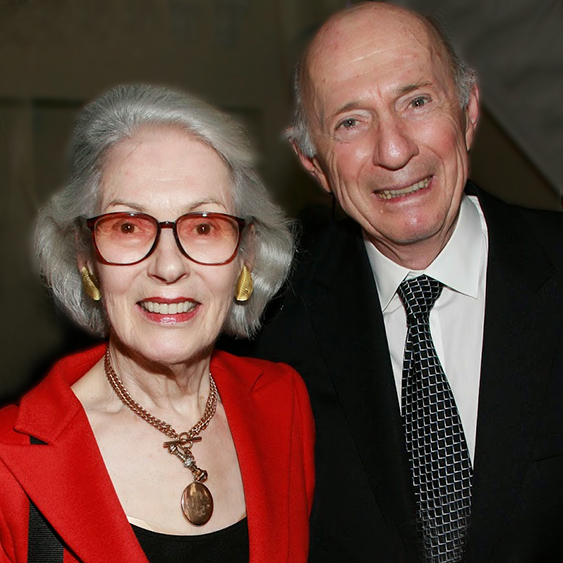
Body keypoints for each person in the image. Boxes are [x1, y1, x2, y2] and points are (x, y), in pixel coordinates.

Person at [225, 2, 563, 562]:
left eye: (417, 101)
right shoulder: (266, 327)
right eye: (351, 122)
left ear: (469, 109)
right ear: (313, 163)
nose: (394, 150)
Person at [0, 84, 314, 563]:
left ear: (245, 258)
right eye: (128, 226)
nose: (168, 267)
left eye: (203, 226)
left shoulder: (285, 405)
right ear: (87, 261)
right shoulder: (10, 465)